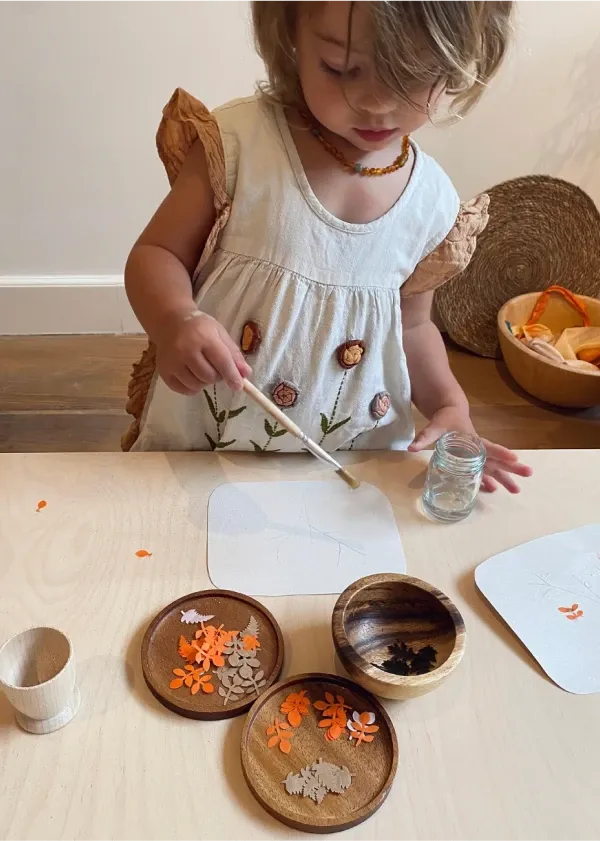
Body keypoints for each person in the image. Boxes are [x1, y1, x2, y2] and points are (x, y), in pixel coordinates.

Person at [123, 0, 532, 493]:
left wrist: (451, 405)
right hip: (210, 441)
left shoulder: (433, 202)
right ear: (290, 34)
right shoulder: (240, 144)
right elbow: (157, 254)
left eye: (414, 75)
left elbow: (414, 323)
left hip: (349, 464)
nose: (375, 102)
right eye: (342, 69)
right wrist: (176, 320)